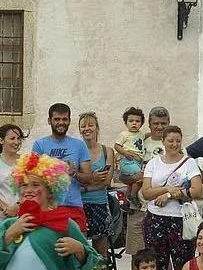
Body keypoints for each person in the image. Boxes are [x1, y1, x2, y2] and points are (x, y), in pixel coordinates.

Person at [141, 125, 203, 270]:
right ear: (163, 141)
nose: (174, 144)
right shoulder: (153, 164)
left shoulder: (189, 163)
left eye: (178, 141)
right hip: (155, 218)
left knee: (184, 264)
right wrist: (167, 189)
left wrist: (169, 195)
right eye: (170, 141)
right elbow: (146, 192)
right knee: (156, 264)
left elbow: (197, 191)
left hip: (180, 220)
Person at [30, 103, 93, 231]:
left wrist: (74, 173)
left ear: (69, 121)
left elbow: (89, 178)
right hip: (48, 207)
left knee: (79, 243)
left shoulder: (79, 145)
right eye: (57, 119)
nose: (61, 123)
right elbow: (33, 178)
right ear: (49, 121)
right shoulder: (39, 145)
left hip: (74, 206)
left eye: (64, 119)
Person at [125, 106, 170, 258]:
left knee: (161, 255)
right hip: (138, 207)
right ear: (149, 124)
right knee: (137, 254)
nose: (160, 127)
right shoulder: (138, 141)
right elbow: (122, 176)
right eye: (156, 123)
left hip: (163, 207)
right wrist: (134, 178)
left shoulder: (174, 144)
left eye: (163, 123)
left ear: (169, 123)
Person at [78, 112, 115, 257]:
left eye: (90, 125)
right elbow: (72, 180)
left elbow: (106, 182)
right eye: (83, 126)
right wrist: (93, 178)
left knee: (101, 252)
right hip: (78, 205)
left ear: (97, 128)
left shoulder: (107, 151)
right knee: (79, 249)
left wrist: (84, 186)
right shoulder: (76, 150)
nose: (87, 129)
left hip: (100, 204)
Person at [114, 106, 146, 208]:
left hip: (137, 162)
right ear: (126, 123)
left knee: (132, 183)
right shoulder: (124, 134)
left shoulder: (140, 134)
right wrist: (125, 153)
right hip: (128, 161)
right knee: (140, 176)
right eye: (131, 121)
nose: (134, 123)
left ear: (141, 123)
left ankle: (126, 203)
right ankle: (133, 195)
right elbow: (117, 146)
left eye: (137, 121)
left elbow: (145, 136)